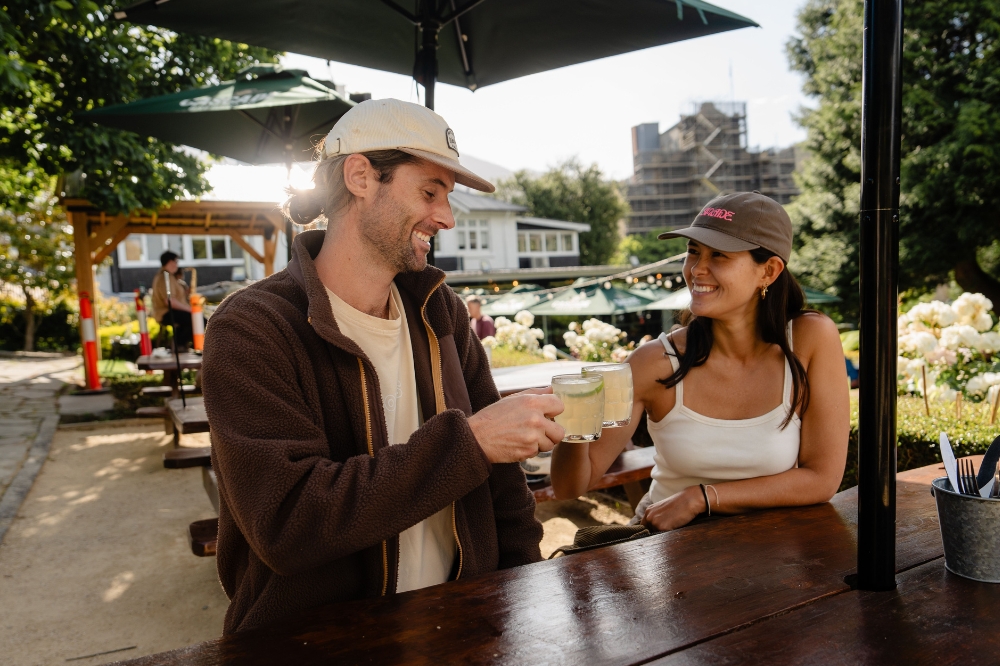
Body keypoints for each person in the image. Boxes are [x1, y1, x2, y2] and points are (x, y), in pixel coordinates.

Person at [201, 99, 565, 634]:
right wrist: (469, 443)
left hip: (461, 628)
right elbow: (288, 523)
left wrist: (524, 597)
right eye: (429, 192)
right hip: (323, 644)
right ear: (360, 176)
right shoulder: (252, 329)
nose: (445, 217)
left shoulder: (440, 311)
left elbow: (503, 488)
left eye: (447, 197)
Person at [551, 192, 850, 531]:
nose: (696, 269)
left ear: (768, 271)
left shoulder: (810, 338)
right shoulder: (653, 362)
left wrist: (703, 497)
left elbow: (822, 479)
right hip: (667, 546)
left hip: (771, 545)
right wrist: (572, 421)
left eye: (718, 255)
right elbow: (570, 486)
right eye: (693, 251)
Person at [150, 250, 192, 350]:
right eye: (176, 262)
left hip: (171, 311)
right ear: (170, 262)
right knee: (196, 319)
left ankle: (181, 345)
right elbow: (169, 301)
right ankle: (178, 345)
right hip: (165, 312)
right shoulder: (165, 277)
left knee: (194, 319)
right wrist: (189, 309)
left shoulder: (169, 276)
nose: (177, 265)